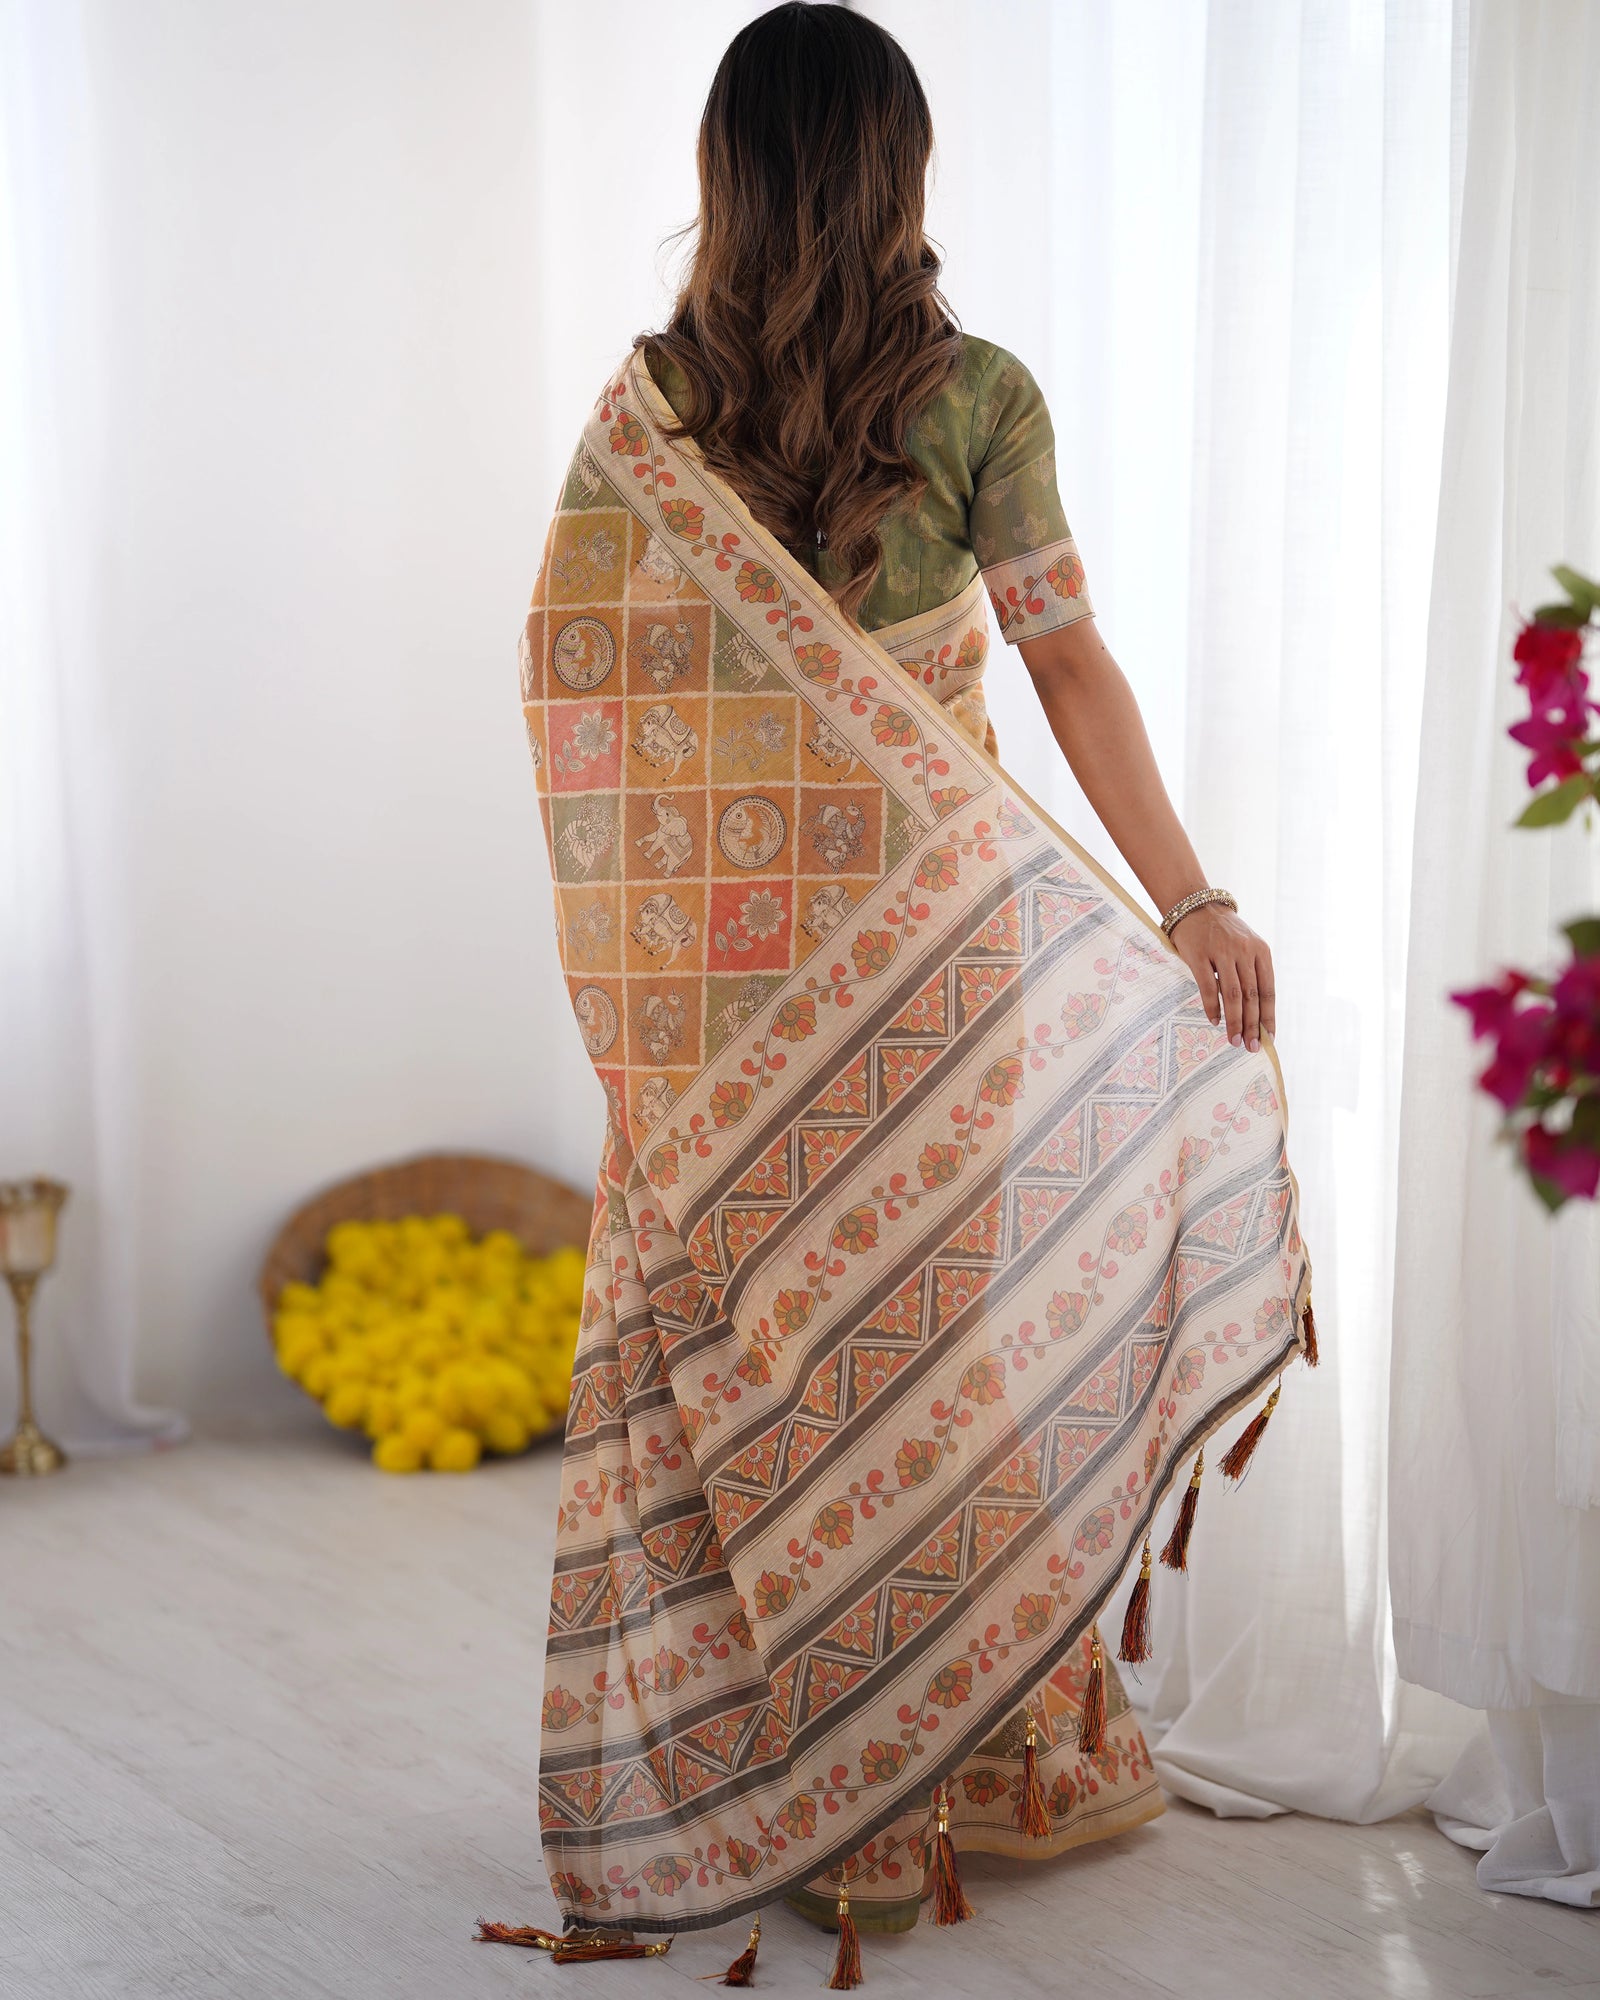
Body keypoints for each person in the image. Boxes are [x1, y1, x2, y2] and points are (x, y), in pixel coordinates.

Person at [492, 4, 1313, 1983]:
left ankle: (793, 1782)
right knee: (927, 1359)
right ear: (897, 171)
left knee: (742, 1362)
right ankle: (913, 1791)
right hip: (937, 967)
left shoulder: (650, 415)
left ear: (727, 172)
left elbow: (578, 693)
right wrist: (1188, 898)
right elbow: (1064, 665)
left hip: (714, 992)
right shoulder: (975, 398)